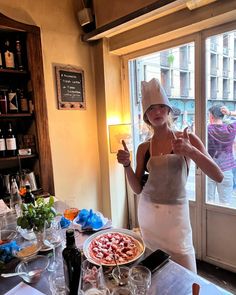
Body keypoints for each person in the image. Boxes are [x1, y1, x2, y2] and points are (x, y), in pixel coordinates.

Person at [117, 78, 223, 273]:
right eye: (151, 109)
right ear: (146, 116)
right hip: (149, 217)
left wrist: (191, 152)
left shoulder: (186, 138)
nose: (156, 112)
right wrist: (127, 165)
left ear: (168, 110)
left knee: (186, 272)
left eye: (160, 107)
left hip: (176, 222)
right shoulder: (143, 148)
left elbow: (218, 176)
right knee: (154, 273)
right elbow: (137, 188)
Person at [208, 104, 236, 205]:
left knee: (208, 202)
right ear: (223, 116)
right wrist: (230, 113)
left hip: (208, 169)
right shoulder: (230, 129)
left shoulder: (206, 130)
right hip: (226, 170)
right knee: (225, 205)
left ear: (210, 116)